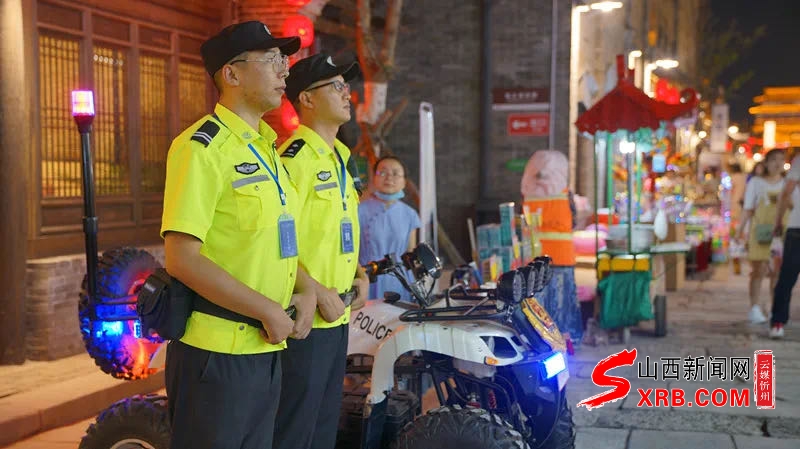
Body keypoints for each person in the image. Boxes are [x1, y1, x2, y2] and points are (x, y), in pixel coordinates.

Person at [160, 21, 318, 449]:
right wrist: (267, 309)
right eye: (271, 60)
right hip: (217, 355)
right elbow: (182, 258)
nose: (284, 70)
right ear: (231, 74)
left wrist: (305, 287)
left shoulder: (266, 149)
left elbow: (273, 245)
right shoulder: (201, 148)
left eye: (283, 60)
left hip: (265, 350)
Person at [273, 53, 369, 449]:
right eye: (337, 86)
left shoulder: (340, 158)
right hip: (306, 321)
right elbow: (274, 241)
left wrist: (359, 274)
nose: (347, 94)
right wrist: (312, 288)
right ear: (307, 99)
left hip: (338, 317)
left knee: (324, 430)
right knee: (296, 433)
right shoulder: (294, 159)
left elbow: (335, 231)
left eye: (346, 86)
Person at [521, 149, 583, 344]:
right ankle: (567, 339)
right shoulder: (564, 194)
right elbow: (573, 222)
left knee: (539, 305)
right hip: (561, 257)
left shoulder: (529, 194)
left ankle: (543, 341)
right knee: (562, 304)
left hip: (535, 258)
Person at [358, 155, 422, 301]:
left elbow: (410, 254)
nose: (389, 178)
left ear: (404, 182)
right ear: (374, 178)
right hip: (368, 277)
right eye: (383, 172)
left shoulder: (410, 214)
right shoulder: (358, 210)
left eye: (395, 173)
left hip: (399, 280)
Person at [736, 149, 787, 325]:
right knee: (759, 270)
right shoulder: (756, 183)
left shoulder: (787, 183)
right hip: (759, 232)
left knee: (777, 272)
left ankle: (775, 308)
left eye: (781, 159)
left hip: (781, 233)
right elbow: (748, 208)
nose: (778, 163)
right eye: (774, 160)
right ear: (766, 163)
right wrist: (739, 231)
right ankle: (755, 307)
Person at [770, 149, 800, 338]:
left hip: (796, 227)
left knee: (787, 277)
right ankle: (778, 321)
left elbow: (786, 193)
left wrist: (778, 221)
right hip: (796, 228)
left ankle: (778, 323)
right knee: (787, 278)